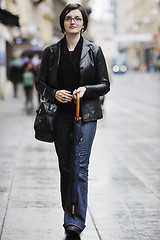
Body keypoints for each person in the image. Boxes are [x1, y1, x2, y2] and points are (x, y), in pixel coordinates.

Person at [35, 3, 110, 239]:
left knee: (80, 167)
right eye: (69, 18)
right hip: (60, 117)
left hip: (86, 116)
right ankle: (69, 212)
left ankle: (74, 221)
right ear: (63, 23)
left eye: (77, 18)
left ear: (84, 23)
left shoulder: (94, 51)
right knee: (66, 168)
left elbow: (104, 84)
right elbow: (41, 84)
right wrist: (54, 93)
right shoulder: (51, 52)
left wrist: (85, 90)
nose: (73, 22)